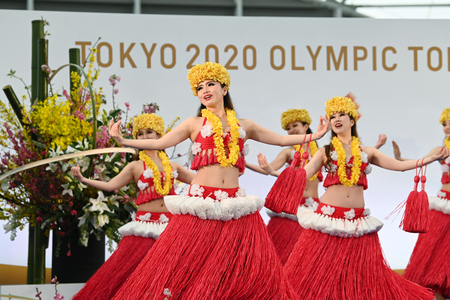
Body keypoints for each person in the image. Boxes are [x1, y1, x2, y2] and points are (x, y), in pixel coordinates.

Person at [108, 62, 329, 300]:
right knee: (188, 268)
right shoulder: (193, 124)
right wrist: (123, 141)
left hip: (234, 205)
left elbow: (279, 139)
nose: (204, 89)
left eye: (210, 84)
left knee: (236, 270)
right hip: (201, 203)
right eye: (199, 87)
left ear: (224, 89)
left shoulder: (244, 125)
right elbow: (160, 143)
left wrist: (315, 136)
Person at [268, 96, 448, 300]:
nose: (337, 118)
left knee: (359, 275)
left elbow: (397, 166)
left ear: (352, 121)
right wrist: (271, 171)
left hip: (357, 220)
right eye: (332, 116)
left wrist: (429, 159)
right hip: (329, 218)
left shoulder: (366, 152)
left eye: (342, 114)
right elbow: (302, 174)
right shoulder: (325, 151)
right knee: (318, 274)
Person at [71, 113, 195, 300]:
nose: (144, 137)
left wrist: (228, 171)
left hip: (171, 227)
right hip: (145, 226)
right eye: (140, 134)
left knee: (170, 275)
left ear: (160, 135)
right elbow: (111, 186)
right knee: (130, 273)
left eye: (149, 132)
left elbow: (201, 181)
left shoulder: (173, 166)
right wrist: (82, 179)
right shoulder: (135, 166)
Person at [246, 108, 387, 265]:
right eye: (288, 128)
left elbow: (353, 160)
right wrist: (246, 164)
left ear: (306, 127)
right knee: (287, 255)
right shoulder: (289, 153)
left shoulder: (324, 152)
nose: (292, 130)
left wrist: (376, 147)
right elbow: (278, 172)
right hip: (294, 207)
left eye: (295, 125)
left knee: (312, 257)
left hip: (314, 206)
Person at [392, 107, 450, 300]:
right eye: (444, 124)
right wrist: (400, 159)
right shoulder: (440, 149)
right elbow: (423, 161)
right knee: (435, 260)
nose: (447, 127)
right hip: (442, 206)